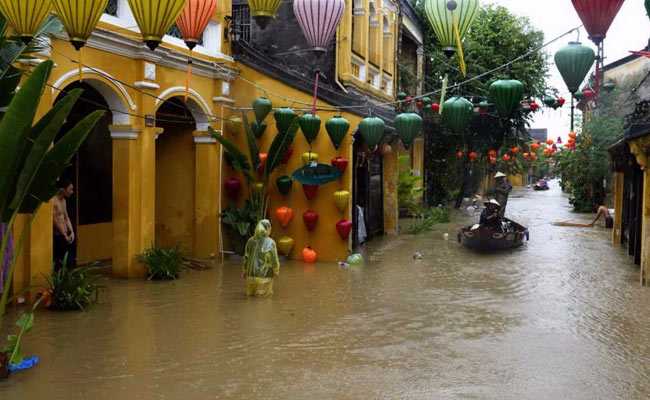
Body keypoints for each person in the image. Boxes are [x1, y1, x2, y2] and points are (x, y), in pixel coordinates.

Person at [242, 219, 280, 297]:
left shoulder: (250, 241)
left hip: (250, 276)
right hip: (264, 276)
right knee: (263, 303)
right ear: (268, 229)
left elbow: (246, 257)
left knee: (250, 300)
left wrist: (245, 270)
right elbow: (274, 259)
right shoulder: (271, 242)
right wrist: (276, 270)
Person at [53, 179, 75, 270]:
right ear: (63, 190)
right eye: (70, 189)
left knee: (69, 259)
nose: (72, 192)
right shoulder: (54, 201)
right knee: (59, 260)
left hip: (65, 232)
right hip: (58, 234)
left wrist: (71, 231)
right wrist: (64, 234)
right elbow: (54, 220)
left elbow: (66, 217)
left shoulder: (64, 201)